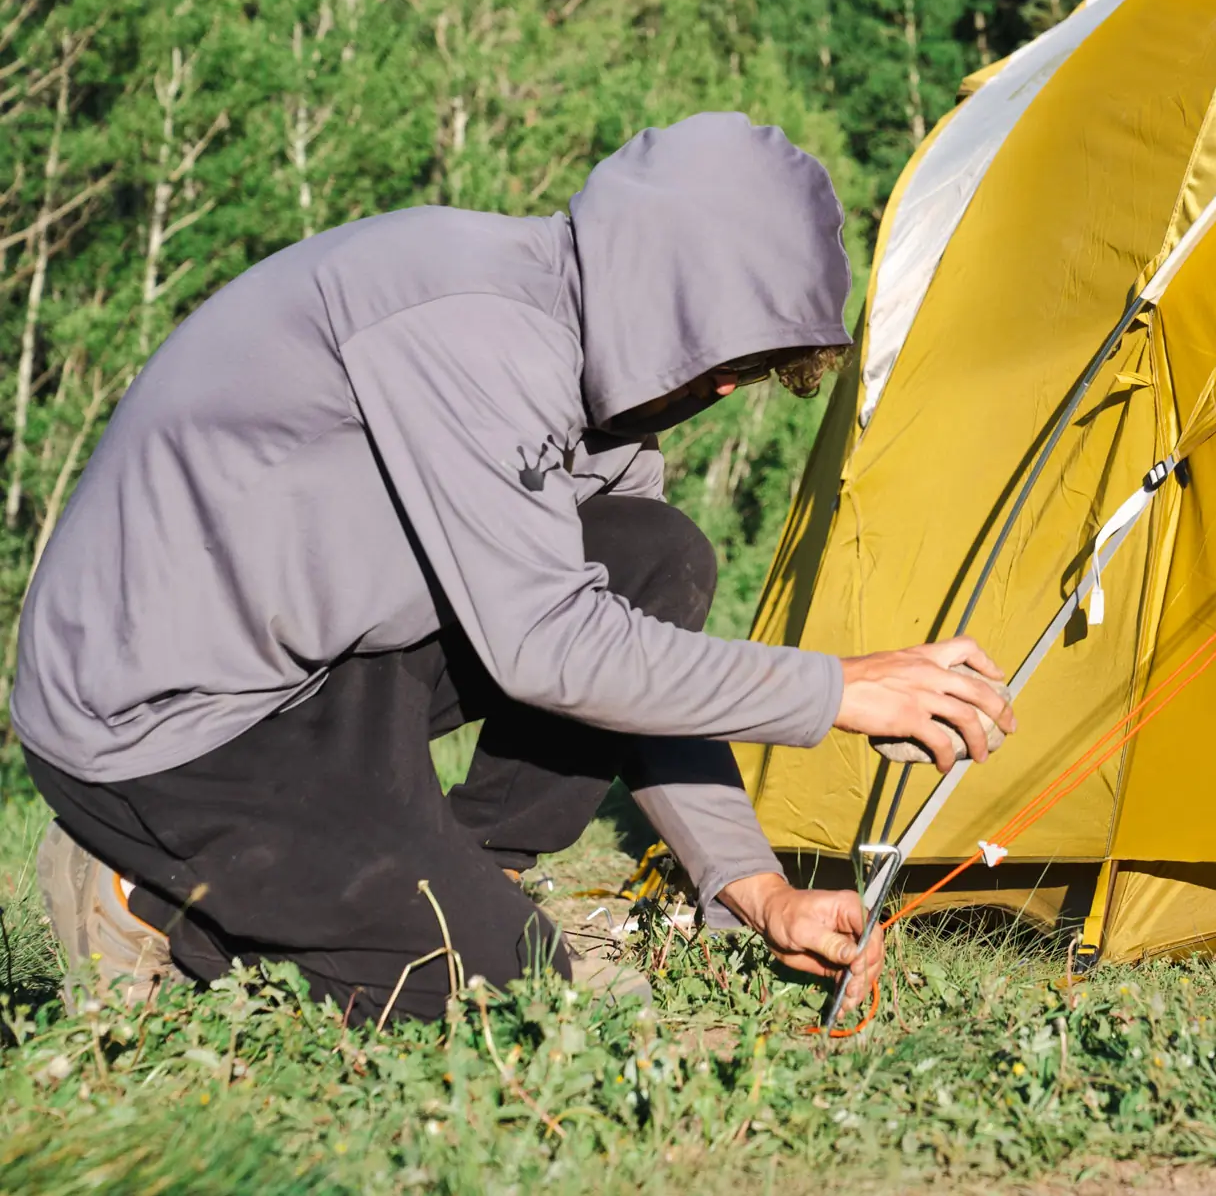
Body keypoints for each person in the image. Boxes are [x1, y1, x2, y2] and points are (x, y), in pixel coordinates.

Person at [13, 114, 1014, 1022]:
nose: (722, 387)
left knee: (654, 555)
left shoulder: (605, 406)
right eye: (725, 356)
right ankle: (141, 893)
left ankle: (478, 872)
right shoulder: (470, 320)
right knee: (505, 987)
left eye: (748, 374)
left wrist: (757, 890)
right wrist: (840, 688)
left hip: (316, 676)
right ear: (659, 284)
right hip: (161, 725)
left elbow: (634, 661)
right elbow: (549, 646)